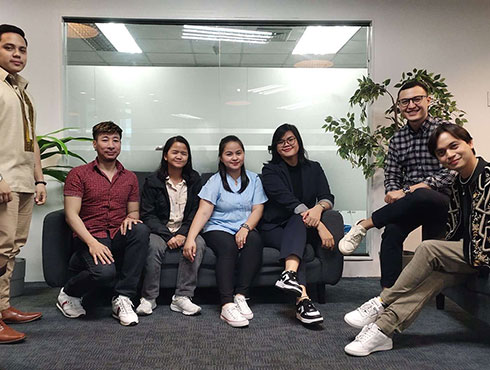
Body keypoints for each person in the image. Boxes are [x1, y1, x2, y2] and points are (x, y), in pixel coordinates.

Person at [343, 124, 489, 356]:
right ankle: (382, 331)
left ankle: (382, 301)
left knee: (430, 249)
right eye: (441, 153)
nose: (449, 155)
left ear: (470, 143)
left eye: (454, 146)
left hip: (483, 252)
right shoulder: (458, 183)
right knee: (434, 276)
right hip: (471, 253)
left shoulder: (487, 177)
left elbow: (482, 243)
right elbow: (457, 229)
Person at [339, 80, 455, 289]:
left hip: (443, 199)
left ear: (428, 100)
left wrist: (408, 190)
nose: (411, 105)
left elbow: (450, 173)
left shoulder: (444, 131)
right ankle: (388, 293)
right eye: (404, 102)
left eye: (416, 99)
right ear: (399, 107)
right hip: (411, 202)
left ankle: (365, 224)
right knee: (391, 231)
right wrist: (394, 191)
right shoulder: (398, 139)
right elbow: (392, 175)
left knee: (421, 194)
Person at [56, 121, 149, 326]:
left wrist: (129, 218)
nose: (111, 145)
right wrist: (92, 243)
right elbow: (71, 215)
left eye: (115, 140)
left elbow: (133, 211)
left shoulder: (130, 178)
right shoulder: (79, 174)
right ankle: (68, 293)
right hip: (90, 236)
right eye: (105, 140)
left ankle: (122, 298)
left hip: (117, 234)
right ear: (94, 144)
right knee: (105, 273)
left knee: (140, 229)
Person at [183, 135, 267, 327]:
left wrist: (245, 228)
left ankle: (240, 296)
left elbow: (258, 209)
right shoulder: (215, 181)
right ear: (221, 157)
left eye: (238, 153)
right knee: (228, 247)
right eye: (229, 154)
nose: (234, 157)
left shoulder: (254, 179)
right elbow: (204, 211)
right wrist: (190, 238)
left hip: (243, 226)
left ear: (244, 154)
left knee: (254, 240)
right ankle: (227, 304)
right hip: (217, 227)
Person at [260, 123, 336, 325]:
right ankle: (303, 301)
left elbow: (327, 197)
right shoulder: (270, 171)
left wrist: (319, 209)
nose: (286, 144)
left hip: (302, 225)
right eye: (280, 141)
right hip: (273, 227)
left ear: (298, 141)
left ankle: (289, 275)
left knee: (298, 227)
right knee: (298, 244)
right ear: (275, 147)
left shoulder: (314, 168)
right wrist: (320, 225)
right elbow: (288, 201)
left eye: (290, 139)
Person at [0, 24, 47, 344]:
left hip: (22, 181)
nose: (17, 54)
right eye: (8, 48)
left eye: (22, 49)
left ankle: (2, 307)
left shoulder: (19, 90)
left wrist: (39, 177)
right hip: (4, 180)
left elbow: (33, 142)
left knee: (11, 248)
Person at [136, 136, 205, 316]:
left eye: (183, 153)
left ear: (188, 157)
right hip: (160, 230)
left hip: (186, 229)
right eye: (175, 152)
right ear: (166, 155)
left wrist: (183, 234)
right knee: (152, 245)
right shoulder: (153, 181)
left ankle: (182, 296)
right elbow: (148, 214)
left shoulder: (194, 179)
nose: (179, 156)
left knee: (198, 243)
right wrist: (168, 236)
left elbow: (197, 211)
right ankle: (149, 298)